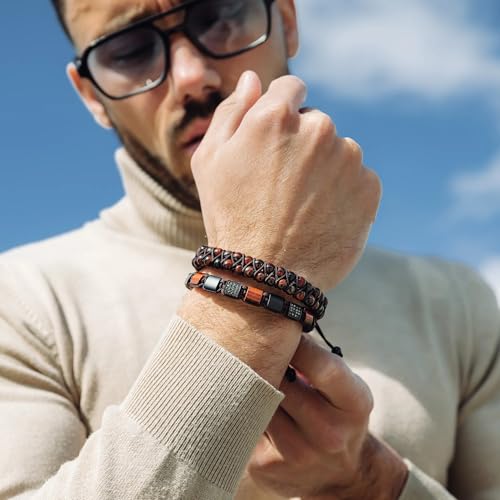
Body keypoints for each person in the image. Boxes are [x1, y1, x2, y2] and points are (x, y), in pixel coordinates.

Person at [0, 0, 498, 498]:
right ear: (91, 94)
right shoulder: (21, 304)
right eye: (129, 51)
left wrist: (373, 480)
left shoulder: (454, 304)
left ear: (286, 21)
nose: (192, 78)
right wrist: (256, 275)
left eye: (220, 16)